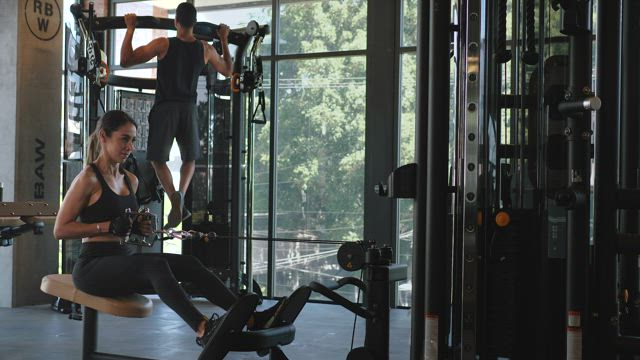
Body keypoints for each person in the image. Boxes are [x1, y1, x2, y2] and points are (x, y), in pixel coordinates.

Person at [54, 110, 283, 349]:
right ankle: (203, 328)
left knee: (190, 264)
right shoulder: (88, 178)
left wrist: (138, 227)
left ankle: (253, 319)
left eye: (132, 140)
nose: (130, 147)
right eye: (124, 139)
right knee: (155, 264)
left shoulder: (130, 179)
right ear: (103, 136)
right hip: (93, 268)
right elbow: (60, 230)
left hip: (123, 262)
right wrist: (106, 226)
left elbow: (126, 224)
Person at [120, 2, 233, 228]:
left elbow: (126, 60)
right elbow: (228, 71)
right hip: (188, 108)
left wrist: (130, 28)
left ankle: (174, 197)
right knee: (189, 158)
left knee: (157, 159)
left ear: (176, 23)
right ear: (194, 24)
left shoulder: (163, 44)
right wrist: (223, 39)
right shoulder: (205, 49)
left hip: (166, 107)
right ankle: (181, 192)